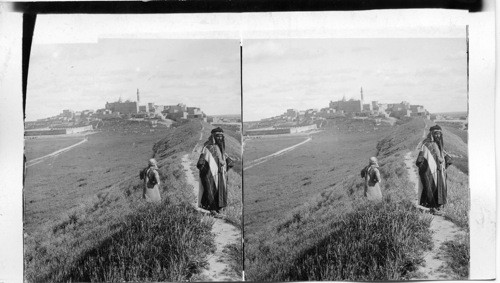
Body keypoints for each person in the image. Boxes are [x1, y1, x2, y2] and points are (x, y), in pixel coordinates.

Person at [197, 127, 234, 214]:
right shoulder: (207, 148)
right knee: (211, 190)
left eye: (221, 136)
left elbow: (228, 161)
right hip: (211, 174)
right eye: (217, 136)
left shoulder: (221, 147)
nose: (220, 138)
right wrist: (207, 172)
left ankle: (219, 208)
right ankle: (212, 210)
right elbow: (200, 163)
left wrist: (226, 165)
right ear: (213, 136)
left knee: (221, 191)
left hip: (221, 174)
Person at [416, 125, 452, 214]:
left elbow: (442, 155)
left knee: (440, 188)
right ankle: (433, 208)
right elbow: (420, 160)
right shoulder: (426, 144)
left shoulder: (438, 143)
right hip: (431, 171)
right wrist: (426, 168)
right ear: (432, 134)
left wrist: (445, 161)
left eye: (439, 134)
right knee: (431, 188)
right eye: (436, 134)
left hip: (439, 171)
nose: (438, 136)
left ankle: (438, 207)